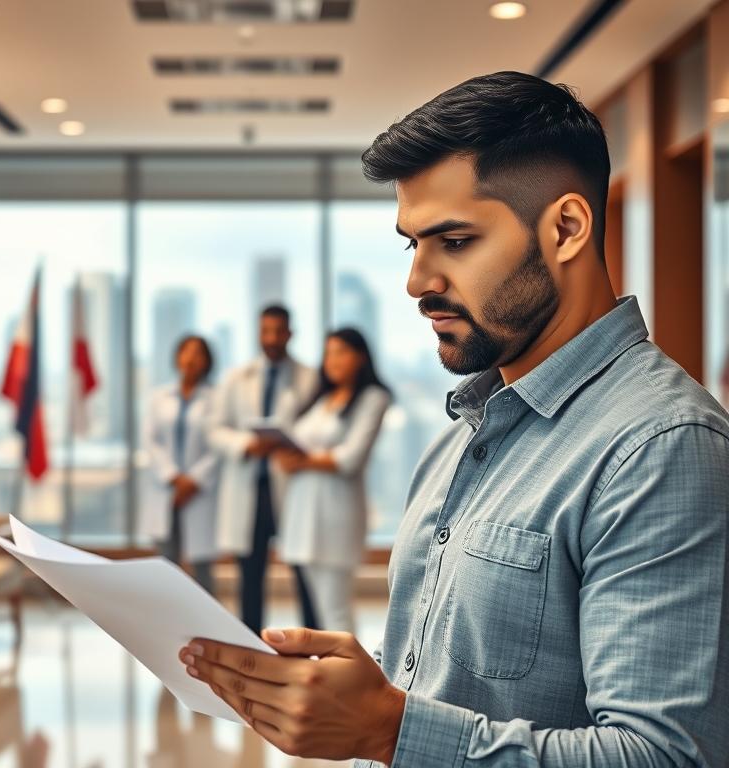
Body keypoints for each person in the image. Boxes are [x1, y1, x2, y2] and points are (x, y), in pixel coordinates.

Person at [178, 71, 729, 766]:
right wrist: (355, 689)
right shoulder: (459, 441)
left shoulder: (662, 447)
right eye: (414, 244)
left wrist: (387, 728)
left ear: (566, 229)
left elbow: (664, 757)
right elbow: (451, 681)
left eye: (456, 241)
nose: (418, 282)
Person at [207, 305, 318, 635]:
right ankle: (251, 644)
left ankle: (313, 641)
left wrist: (287, 442)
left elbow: (316, 428)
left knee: (303, 569)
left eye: (278, 332)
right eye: (265, 331)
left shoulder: (309, 378)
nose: (271, 339)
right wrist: (245, 444)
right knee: (250, 575)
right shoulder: (236, 378)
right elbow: (214, 429)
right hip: (249, 488)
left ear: (290, 334)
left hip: (290, 486)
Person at [275, 328, 391, 634]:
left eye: (341, 352)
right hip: (302, 512)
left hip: (335, 514)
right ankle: (327, 675)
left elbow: (350, 457)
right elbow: (300, 446)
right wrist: (289, 458)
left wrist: (304, 460)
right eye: (328, 353)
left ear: (361, 356)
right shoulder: (320, 399)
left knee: (335, 611)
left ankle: (348, 678)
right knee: (318, 611)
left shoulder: (373, 398)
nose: (333, 360)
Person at [141, 335, 218, 595]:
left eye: (198, 353)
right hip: (166, 490)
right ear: (177, 357)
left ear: (207, 361)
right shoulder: (158, 397)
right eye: (186, 352)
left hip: (199, 492)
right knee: (166, 565)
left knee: (203, 568)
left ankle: (212, 631)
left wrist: (193, 480)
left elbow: (219, 446)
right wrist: (173, 476)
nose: (191, 359)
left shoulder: (216, 399)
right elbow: (151, 441)